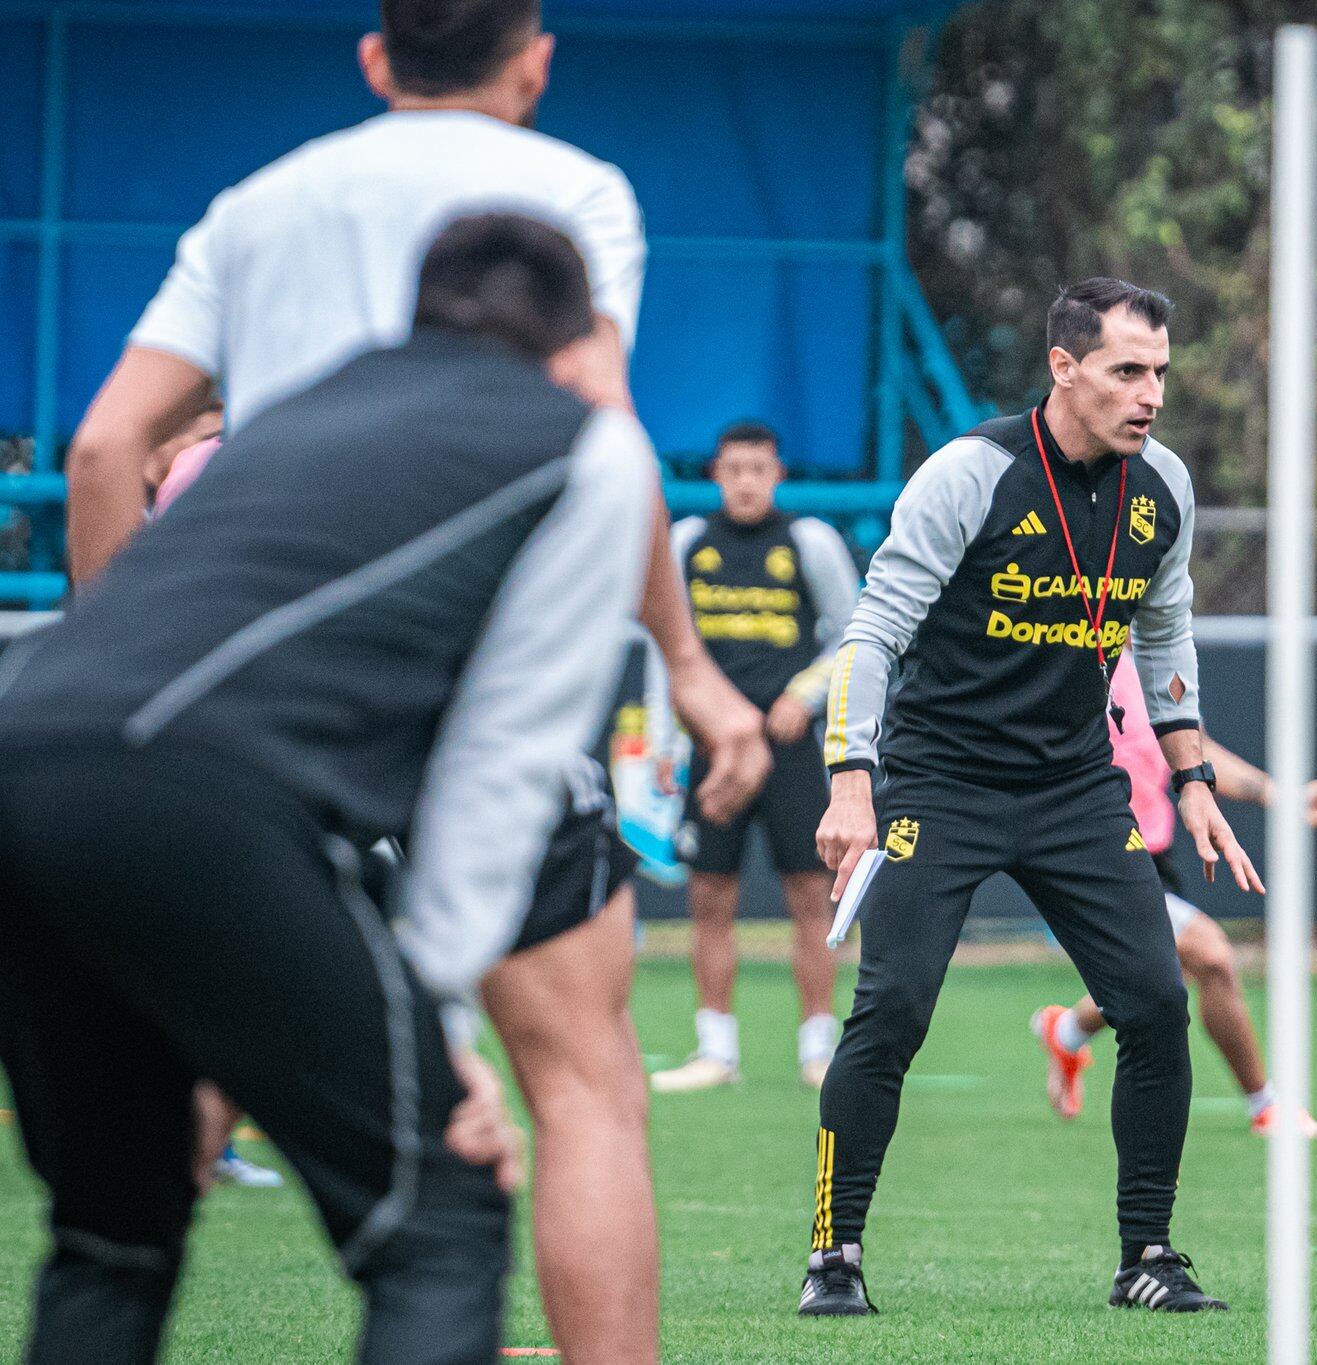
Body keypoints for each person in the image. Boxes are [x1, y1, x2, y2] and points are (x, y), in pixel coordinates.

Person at [57, 5, 770, 1358]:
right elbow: (601, 433)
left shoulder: (257, 204)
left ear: (377, 60)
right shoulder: (567, 192)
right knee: (579, 1084)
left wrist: (136, 676)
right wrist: (686, 663)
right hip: (463, 684)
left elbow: (104, 452)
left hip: (226, 724)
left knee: (155, 1149)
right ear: (536, 60)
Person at [0, 213, 641, 1363]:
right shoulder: (581, 447)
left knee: (112, 1240)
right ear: (574, 340)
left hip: (25, 753)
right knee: (442, 1208)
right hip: (200, 798)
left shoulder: (306, 404)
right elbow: (498, 771)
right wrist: (438, 1030)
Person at [799, 278, 1259, 1318]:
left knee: (1153, 1003)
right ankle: (834, 1253)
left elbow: (1163, 635)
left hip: (1072, 789)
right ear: (1063, 368)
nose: (1148, 395)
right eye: (1124, 371)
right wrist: (850, 783)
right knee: (893, 1010)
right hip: (938, 781)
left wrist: (1191, 778)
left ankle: (1147, 1254)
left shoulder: (1162, 489)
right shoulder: (970, 474)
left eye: (1158, 374)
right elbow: (871, 634)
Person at [1031, 654, 1317, 1136]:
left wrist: (1276, 793)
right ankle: (1265, 1105)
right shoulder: (1060, 650)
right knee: (1212, 954)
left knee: (1159, 971)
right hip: (1087, 849)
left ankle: (1065, 1032)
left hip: (1147, 851)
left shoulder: (1148, 658)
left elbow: (1189, 748)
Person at [652, 422, 860, 1093]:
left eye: (759, 468)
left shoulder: (809, 542)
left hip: (793, 748)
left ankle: (819, 1048)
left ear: (777, 474)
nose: (746, 480)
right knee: (709, 894)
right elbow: (668, 650)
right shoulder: (686, 542)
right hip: (714, 750)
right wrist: (666, 740)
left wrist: (804, 695)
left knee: (810, 894)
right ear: (716, 472)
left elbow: (852, 634)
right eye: (734, 468)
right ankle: (716, 1049)